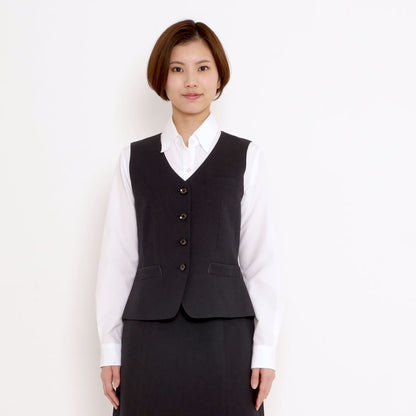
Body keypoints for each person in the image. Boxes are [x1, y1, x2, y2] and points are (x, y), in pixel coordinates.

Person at [95, 19, 283, 416]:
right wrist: (110, 346)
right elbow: (118, 260)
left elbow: (260, 260)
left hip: (227, 339)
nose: (191, 81)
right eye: (178, 69)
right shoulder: (133, 159)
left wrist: (265, 349)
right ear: (162, 79)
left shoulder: (246, 157)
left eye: (203, 68)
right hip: (148, 337)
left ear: (219, 78)